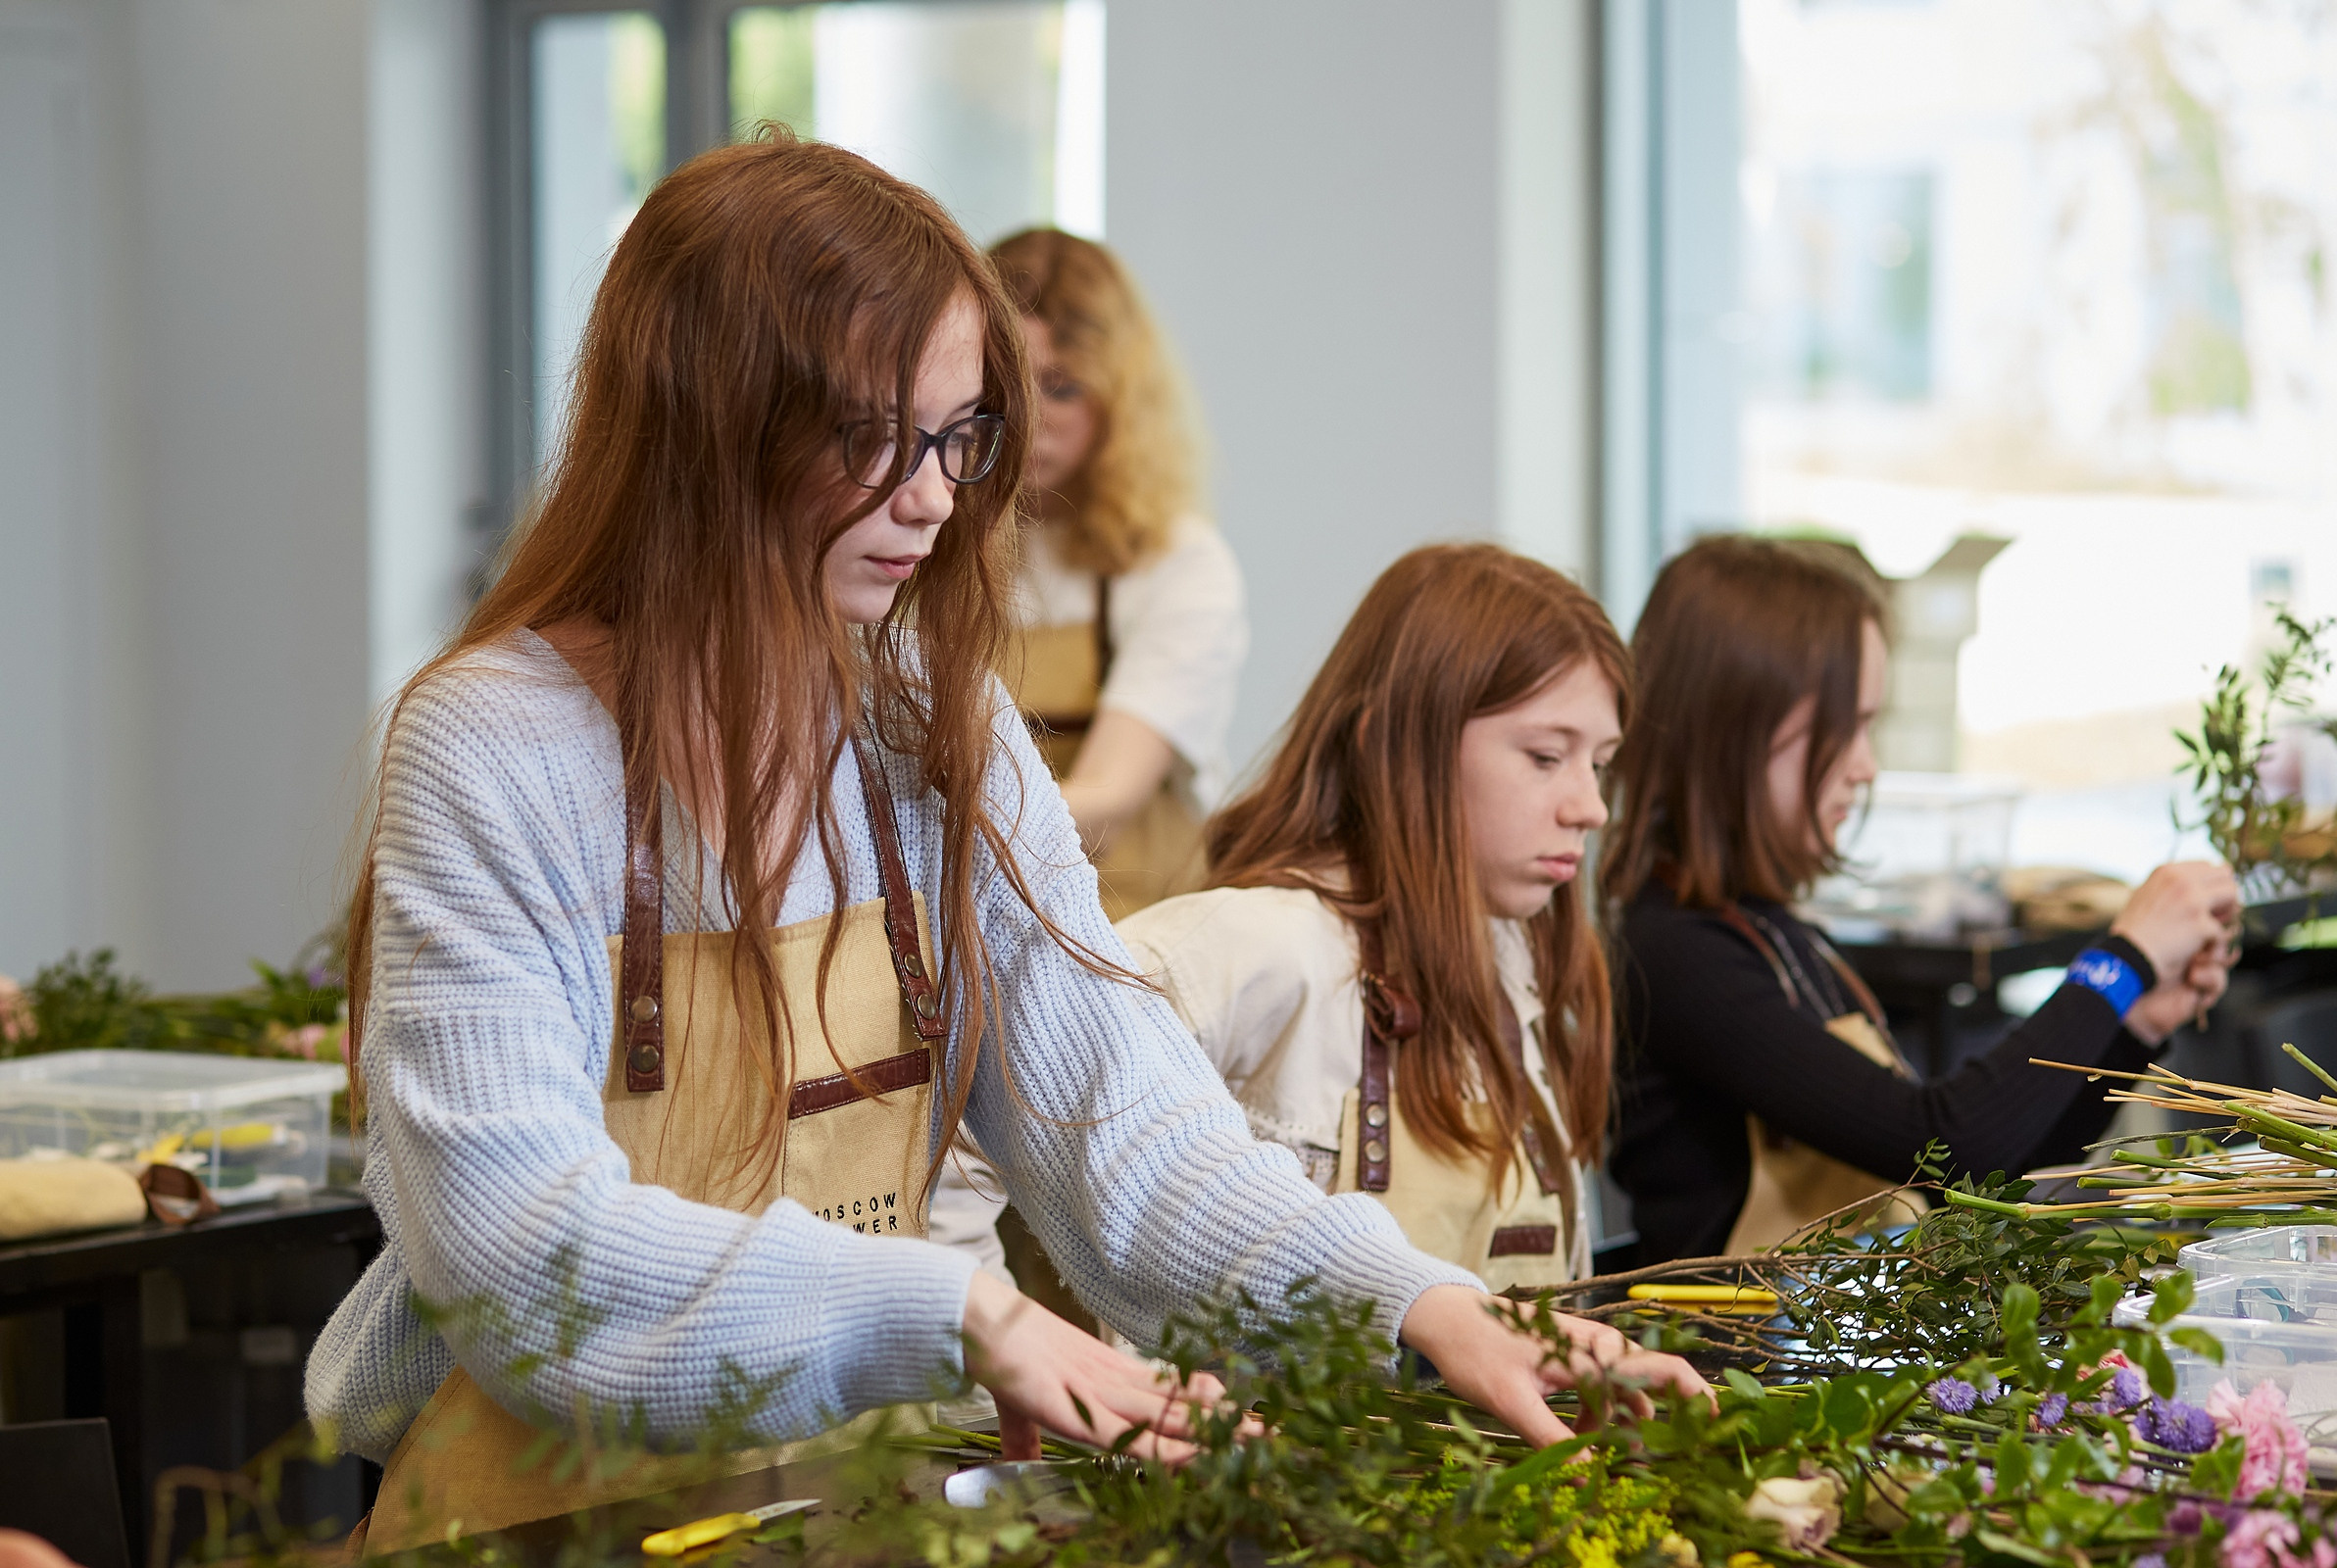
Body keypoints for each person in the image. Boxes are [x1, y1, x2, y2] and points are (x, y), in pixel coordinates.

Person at [303, 134, 1702, 1551]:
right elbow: (518, 1258)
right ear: (709, 423)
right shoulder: (494, 744)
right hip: (538, 1525)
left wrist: (1420, 1308)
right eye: (871, 438)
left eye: (957, 437)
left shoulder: (933, 724)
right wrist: (958, 1310)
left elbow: (1133, 1129)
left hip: (846, 1510)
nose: (930, 498)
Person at [1604, 535, 2240, 1265]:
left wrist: (2129, 1028)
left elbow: (1978, 1186)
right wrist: (2118, 963)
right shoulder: (1677, 954)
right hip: (1730, 1366)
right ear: (1734, 729)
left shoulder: (1781, 935)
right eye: (1841, 729)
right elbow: (1948, 1144)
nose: (1865, 766)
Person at [1117, 545, 1620, 1293]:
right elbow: (976, 1116)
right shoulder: (1265, 946)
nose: (1591, 807)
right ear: (1396, 747)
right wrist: (996, 1351)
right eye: (1547, 756)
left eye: (1601, 762)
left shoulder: (1518, 966)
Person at [986, 228, 1244, 920]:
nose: (1030, 419)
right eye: (1004, 384)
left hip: (1137, 930)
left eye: (1062, 387)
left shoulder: (1178, 562)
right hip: (976, 925)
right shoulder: (920, 550)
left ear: (1120, 397)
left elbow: (1105, 799)